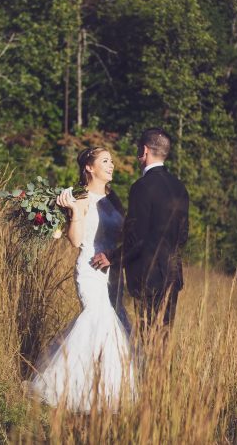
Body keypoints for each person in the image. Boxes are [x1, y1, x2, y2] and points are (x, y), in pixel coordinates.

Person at [27, 147, 135, 411]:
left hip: (113, 271)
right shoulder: (80, 197)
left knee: (113, 325)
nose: (112, 165)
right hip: (90, 269)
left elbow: (122, 235)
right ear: (89, 167)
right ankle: (74, 391)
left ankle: (101, 394)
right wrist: (74, 211)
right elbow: (75, 240)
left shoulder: (113, 199)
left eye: (112, 161)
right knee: (101, 323)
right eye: (105, 161)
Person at [92, 128, 189, 337]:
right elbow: (183, 236)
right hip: (172, 275)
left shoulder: (141, 187)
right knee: (163, 341)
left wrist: (112, 257)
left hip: (148, 278)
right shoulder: (179, 187)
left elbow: (137, 239)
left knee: (148, 340)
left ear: (144, 151)